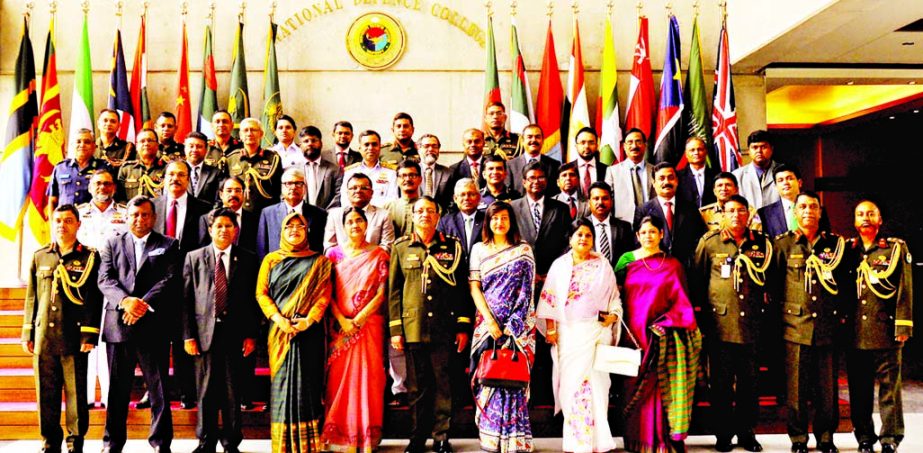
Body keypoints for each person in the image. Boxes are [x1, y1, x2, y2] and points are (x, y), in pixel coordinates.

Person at [389, 197, 473, 453]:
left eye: (430, 211)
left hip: (444, 327)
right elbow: (394, 291)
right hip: (413, 327)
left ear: (438, 216)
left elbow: (460, 290)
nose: (424, 215)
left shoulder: (453, 247)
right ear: (413, 215)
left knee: (443, 384)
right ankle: (417, 437)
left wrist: (461, 326)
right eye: (420, 211)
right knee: (416, 387)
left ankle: (440, 436)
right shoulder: (401, 247)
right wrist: (396, 329)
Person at [770, 192, 850, 453]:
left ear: (819, 211)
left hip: (827, 325)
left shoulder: (835, 245)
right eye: (802, 206)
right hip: (795, 326)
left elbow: (845, 284)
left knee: (826, 390)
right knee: (796, 389)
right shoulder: (783, 245)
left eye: (812, 206)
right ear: (795, 212)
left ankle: (826, 437)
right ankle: (798, 439)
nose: (807, 211)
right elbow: (774, 285)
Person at [98, 195, 179, 453]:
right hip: (119, 325)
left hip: (153, 325)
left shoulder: (168, 244)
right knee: (118, 391)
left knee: (159, 391)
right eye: (134, 214)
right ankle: (112, 443)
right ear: (127, 217)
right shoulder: (112, 243)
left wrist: (141, 304)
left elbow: (170, 279)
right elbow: (105, 279)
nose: (140, 219)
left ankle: (160, 443)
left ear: (153, 217)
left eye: (145, 215)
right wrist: (126, 301)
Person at [615, 216, 701, 453]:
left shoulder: (673, 265)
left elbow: (682, 302)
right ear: (637, 235)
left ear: (661, 234)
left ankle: (661, 441)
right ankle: (636, 440)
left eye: (653, 232)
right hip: (631, 334)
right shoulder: (626, 262)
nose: (648, 236)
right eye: (644, 232)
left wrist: (666, 323)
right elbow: (614, 295)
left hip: (660, 335)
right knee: (632, 385)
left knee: (660, 388)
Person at [690, 195, 769, 452]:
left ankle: (747, 433)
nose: (736, 215)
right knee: (721, 384)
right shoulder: (710, 243)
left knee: (749, 383)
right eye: (730, 211)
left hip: (752, 326)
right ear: (722, 214)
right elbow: (698, 282)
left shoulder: (762, 244)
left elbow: (771, 281)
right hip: (720, 325)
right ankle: (723, 434)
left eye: (741, 211)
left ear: (748, 214)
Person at [22, 204, 102, 453]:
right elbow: (32, 298)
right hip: (45, 336)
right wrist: (28, 332)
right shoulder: (40, 256)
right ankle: (49, 443)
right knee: (46, 394)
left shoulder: (89, 257)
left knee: (77, 395)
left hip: (73, 336)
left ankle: (75, 443)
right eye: (57, 220)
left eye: (68, 220)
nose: (61, 225)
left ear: (78, 224)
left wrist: (89, 334)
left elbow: (93, 298)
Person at [537, 218, 621, 453]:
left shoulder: (603, 264)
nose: (583, 239)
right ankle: (577, 441)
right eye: (579, 235)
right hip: (569, 334)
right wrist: (551, 329)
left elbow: (614, 297)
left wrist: (614, 316)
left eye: (588, 235)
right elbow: (549, 300)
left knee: (598, 385)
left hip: (596, 332)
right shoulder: (560, 265)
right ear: (570, 239)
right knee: (572, 386)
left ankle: (599, 440)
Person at [182, 209, 260, 453]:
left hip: (235, 334)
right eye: (219, 226)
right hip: (203, 334)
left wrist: (251, 334)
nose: (224, 230)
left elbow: (252, 301)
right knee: (205, 391)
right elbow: (185, 299)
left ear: (235, 230)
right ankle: (206, 441)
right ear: (210, 229)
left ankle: (230, 442)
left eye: (229, 226)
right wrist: (188, 335)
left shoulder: (247, 258)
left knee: (231, 391)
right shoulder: (194, 258)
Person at [256, 212, 333, 453]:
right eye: (289, 226)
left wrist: (309, 320)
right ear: (282, 231)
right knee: (281, 385)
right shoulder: (271, 259)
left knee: (307, 386)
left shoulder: (320, 262)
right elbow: (262, 293)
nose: (295, 230)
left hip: (309, 332)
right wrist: (279, 319)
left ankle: (309, 444)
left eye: (300, 226)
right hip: (279, 332)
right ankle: (283, 445)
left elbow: (324, 295)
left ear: (307, 232)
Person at [468, 201, 536, 452]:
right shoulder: (478, 249)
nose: (499, 222)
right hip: (486, 324)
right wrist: (490, 321)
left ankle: (514, 440)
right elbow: (475, 286)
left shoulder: (523, 250)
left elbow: (527, 291)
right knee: (488, 375)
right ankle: (491, 437)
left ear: (511, 221)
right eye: (494, 218)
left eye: (504, 218)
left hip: (516, 326)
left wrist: (513, 326)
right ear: (487, 222)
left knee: (512, 376)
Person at [846, 201, 913, 453]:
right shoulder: (848, 249)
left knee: (889, 388)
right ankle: (864, 436)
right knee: (859, 389)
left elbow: (904, 289)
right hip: (854, 332)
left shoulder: (895, 248)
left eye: (870, 213)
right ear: (854, 220)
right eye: (860, 214)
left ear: (880, 219)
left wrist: (903, 325)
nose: (865, 218)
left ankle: (890, 437)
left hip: (885, 329)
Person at [322, 208, 390, 452]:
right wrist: (342, 319)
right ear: (343, 226)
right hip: (340, 327)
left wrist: (359, 318)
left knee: (369, 378)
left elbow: (382, 293)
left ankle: (365, 435)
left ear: (366, 224)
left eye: (359, 220)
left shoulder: (378, 254)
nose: (354, 225)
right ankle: (341, 436)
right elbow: (326, 292)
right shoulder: (333, 255)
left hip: (369, 325)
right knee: (338, 380)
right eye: (349, 221)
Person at [76, 170, 127, 410]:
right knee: (86, 339)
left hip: (113, 284)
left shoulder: (125, 214)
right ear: (90, 187)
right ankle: (85, 396)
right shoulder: (78, 214)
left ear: (114, 188)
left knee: (109, 342)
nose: (102, 187)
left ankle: (109, 396)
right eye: (97, 183)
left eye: (107, 183)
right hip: (83, 286)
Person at [633, 162, 707, 266]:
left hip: (686, 270)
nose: (666, 182)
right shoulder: (643, 210)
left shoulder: (690, 208)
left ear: (677, 181)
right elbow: (637, 242)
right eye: (661, 178)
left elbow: (700, 238)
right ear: (653, 183)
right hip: (655, 269)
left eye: (670, 177)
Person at [256, 167, 328, 260]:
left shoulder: (319, 214)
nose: (293, 187)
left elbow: (320, 248)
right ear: (282, 187)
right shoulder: (268, 213)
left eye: (298, 183)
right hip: (276, 269)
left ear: (305, 188)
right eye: (289, 183)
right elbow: (261, 249)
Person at [323, 173, 395, 252]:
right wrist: (348, 260)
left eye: (364, 188)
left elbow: (387, 246)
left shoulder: (383, 215)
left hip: (373, 262)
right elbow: (329, 246)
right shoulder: (335, 215)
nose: (358, 191)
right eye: (353, 188)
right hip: (341, 262)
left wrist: (364, 259)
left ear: (371, 193)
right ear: (347, 193)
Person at [225, 118, 283, 214]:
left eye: (253, 130)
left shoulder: (273, 159)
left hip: (264, 213)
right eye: (245, 130)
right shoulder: (231, 158)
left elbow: (278, 191)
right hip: (238, 215)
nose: (249, 133)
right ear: (240, 135)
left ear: (261, 134)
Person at [758, 164, 831, 238]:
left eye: (789, 178)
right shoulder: (765, 213)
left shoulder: (816, 209)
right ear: (776, 186)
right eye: (780, 180)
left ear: (799, 182)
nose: (785, 183)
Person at [48, 128, 111, 209]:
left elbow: (111, 197)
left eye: (87, 142)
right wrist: (53, 221)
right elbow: (52, 200)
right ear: (72, 145)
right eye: (78, 142)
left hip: (93, 218)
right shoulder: (60, 168)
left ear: (94, 146)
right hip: (66, 219)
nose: (82, 145)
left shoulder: (104, 167)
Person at [604, 128, 654, 223]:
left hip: (651, 226)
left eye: (638, 141)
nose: (634, 146)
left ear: (645, 145)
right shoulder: (613, 171)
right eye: (630, 142)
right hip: (623, 226)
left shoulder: (655, 170)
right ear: (624, 146)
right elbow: (607, 201)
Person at [340, 130, 399, 208]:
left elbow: (392, 200)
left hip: (380, 217)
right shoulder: (350, 172)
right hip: (355, 216)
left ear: (380, 147)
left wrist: (373, 212)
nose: (370, 148)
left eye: (374, 144)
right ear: (360, 148)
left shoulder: (391, 172)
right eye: (366, 145)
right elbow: (345, 199)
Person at [583, 181, 634, 266]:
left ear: (611, 201)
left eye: (605, 198)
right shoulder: (581, 227)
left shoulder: (624, 227)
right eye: (596, 198)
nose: (600, 202)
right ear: (589, 202)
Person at [732, 130, 782, 210]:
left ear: (771, 149)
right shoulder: (737, 175)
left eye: (763, 147)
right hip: (749, 221)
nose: (759, 151)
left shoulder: (784, 173)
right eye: (755, 147)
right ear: (749, 151)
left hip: (778, 221)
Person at [507, 124, 560, 196]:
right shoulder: (510, 165)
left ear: (543, 140)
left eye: (537, 137)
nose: (533, 140)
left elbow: (556, 193)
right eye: (529, 137)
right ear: (522, 141)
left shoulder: (554, 165)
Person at [437, 178, 485, 257]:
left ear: (479, 197)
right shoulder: (445, 222)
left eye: (471, 194)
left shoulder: (487, 220)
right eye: (462, 195)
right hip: (454, 267)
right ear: (455, 199)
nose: (466, 198)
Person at [298, 125, 343, 210]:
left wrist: (324, 215)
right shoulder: (292, 170)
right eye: (306, 141)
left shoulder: (335, 170)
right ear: (300, 146)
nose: (310, 143)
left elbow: (338, 195)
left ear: (321, 144)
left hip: (327, 218)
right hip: (299, 219)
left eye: (314, 140)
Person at [117, 128, 166, 201]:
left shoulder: (166, 169)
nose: (146, 144)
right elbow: (120, 199)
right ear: (136, 146)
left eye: (150, 140)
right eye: (142, 141)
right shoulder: (126, 169)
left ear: (157, 145)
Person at [676, 137, 718, 208]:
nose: (696, 153)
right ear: (686, 154)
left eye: (700, 149)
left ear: (706, 152)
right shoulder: (677, 177)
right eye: (692, 150)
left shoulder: (716, 175)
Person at [569, 127, 609, 199]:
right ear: (576, 146)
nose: (587, 146)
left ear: (597, 146)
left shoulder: (607, 169)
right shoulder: (568, 168)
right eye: (582, 143)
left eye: (591, 142)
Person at [185, 131, 224, 204]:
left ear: (206, 150)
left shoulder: (216, 173)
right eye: (191, 146)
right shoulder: (175, 171)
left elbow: (219, 201)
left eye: (199, 146)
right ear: (185, 148)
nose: (194, 150)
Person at [417, 134, 454, 209]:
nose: (431, 149)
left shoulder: (448, 173)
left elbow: (452, 200)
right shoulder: (411, 171)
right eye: (426, 146)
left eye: (434, 146)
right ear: (419, 149)